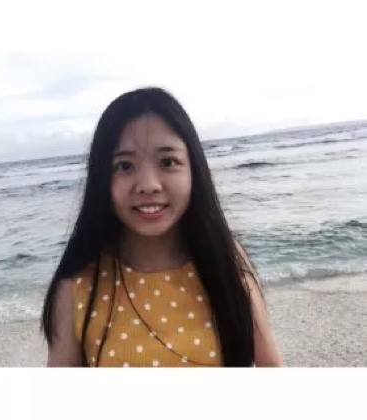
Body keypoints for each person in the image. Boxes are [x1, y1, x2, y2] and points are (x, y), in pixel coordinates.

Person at [41, 87, 283, 367]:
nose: (148, 185)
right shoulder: (78, 284)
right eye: (125, 166)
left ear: (193, 168)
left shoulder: (226, 261)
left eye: (168, 162)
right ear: (102, 178)